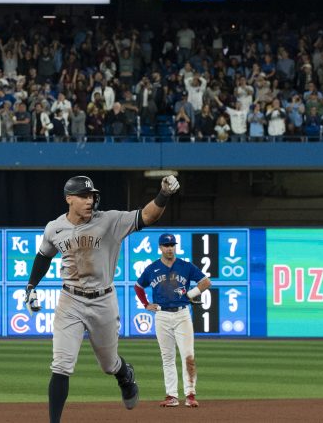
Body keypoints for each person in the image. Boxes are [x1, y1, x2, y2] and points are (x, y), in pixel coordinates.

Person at [25, 174, 181, 423]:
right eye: (83, 196)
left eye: (91, 196)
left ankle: (124, 374)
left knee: (108, 365)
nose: (89, 200)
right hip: (70, 300)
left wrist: (164, 194)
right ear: (69, 199)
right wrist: (31, 286)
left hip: (103, 301)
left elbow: (147, 216)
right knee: (61, 365)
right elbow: (44, 255)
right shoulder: (55, 228)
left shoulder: (110, 221)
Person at [134, 233, 211, 408]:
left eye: (172, 245)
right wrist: (146, 304)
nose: (170, 248)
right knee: (167, 357)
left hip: (182, 314)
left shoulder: (185, 266)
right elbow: (138, 286)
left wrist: (190, 294)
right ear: (160, 248)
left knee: (188, 355)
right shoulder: (152, 268)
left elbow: (206, 282)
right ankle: (172, 396)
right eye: (166, 245)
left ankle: (190, 395)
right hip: (161, 315)